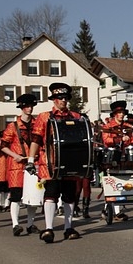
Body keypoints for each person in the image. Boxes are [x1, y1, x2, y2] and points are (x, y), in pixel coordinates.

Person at [27, 83, 86, 243]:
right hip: (50, 162)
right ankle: (49, 229)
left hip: (71, 161)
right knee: (51, 194)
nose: (63, 100)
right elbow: (36, 139)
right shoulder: (44, 117)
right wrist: (31, 160)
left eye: (65, 98)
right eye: (60, 98)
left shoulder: (76, 117)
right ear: (54, 99)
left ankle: (68, 228)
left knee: (69, 195)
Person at [0, 93, 41, 236]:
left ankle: (30, 224)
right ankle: (15, 224)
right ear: (22, 108)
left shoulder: (37, 124)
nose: (30, 108)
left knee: (33, 196)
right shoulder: (13, 126)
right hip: (16, 166)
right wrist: (15, 155)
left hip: (33, 164)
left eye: (31, 106)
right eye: (27, 106)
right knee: (16, 196)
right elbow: (3, 145)